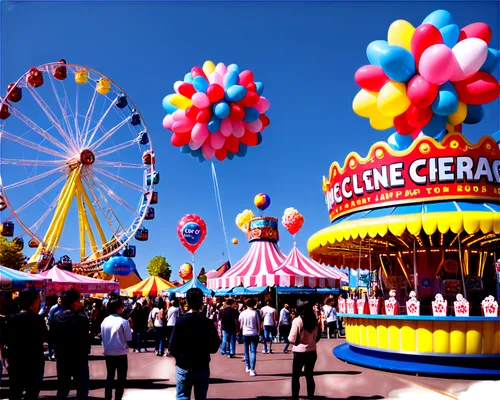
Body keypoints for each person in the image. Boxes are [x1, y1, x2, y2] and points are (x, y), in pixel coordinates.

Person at [169, 288, 220, 400]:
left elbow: (172, 345)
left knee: (182, 396)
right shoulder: (207, 322)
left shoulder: (181, 321)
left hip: (183, 364)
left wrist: (178, 357)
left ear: (187, 301)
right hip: (201, 364)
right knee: (201, 396)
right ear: (201, 302)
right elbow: (215, 346)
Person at [0, 289, 47, 400]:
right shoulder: (38, 320)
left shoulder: (11, 319)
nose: (39, 304)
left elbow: (4, 341)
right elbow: (44, 338)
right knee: (32, 392)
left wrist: (5, 359)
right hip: (34, 362)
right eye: (38, 301)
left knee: (15, 391)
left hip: (15, 362)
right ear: (33, 302)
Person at [52, 289, 91, 399]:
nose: (80, 303)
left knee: (63, 389)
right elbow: (85, 338)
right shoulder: (81, 319)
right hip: (79, 358)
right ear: (74, 302)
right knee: (82, 389)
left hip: (62, 357)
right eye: (79, 300)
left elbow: (52, 337)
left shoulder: (55, 318)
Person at [288, 299, 321, 400]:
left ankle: (295, 397)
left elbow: (292, 338)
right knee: (309, 376)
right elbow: (316, 337)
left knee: (296, 376)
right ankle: (310, 397)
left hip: (299, 351)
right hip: (311, 351)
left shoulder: (297, 321)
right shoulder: (313, 320)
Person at [101, 295, 132, 400]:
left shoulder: (104, 321)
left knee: (109, 377)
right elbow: (129, 338)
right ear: (117, 308)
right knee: (121, 379)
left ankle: (107, 398)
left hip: (108, 353)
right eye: (121, 306)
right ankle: (118, 398)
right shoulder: (124, 322)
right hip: (121, 353)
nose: (123, 308)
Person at [238, 298, 260, 376]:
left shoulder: (243, 313)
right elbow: (258, 324)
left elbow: (240, 323)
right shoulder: (255, 313)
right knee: (253, 351)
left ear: (246, 304)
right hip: (254, 333)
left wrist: (240, 331)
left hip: (245, 333)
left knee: (246, 350)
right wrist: (259, 333)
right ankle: (252, 369)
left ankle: (247, 366)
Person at [47, 295, 63, 360]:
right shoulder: (54, 308)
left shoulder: (64, 307)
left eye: (61, 299)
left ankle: (56, 353)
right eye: (59, 299)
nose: (60, 301)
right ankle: (50, 354)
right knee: (51, 342)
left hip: (61, 327)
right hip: (53, 326)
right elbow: (50, 318)